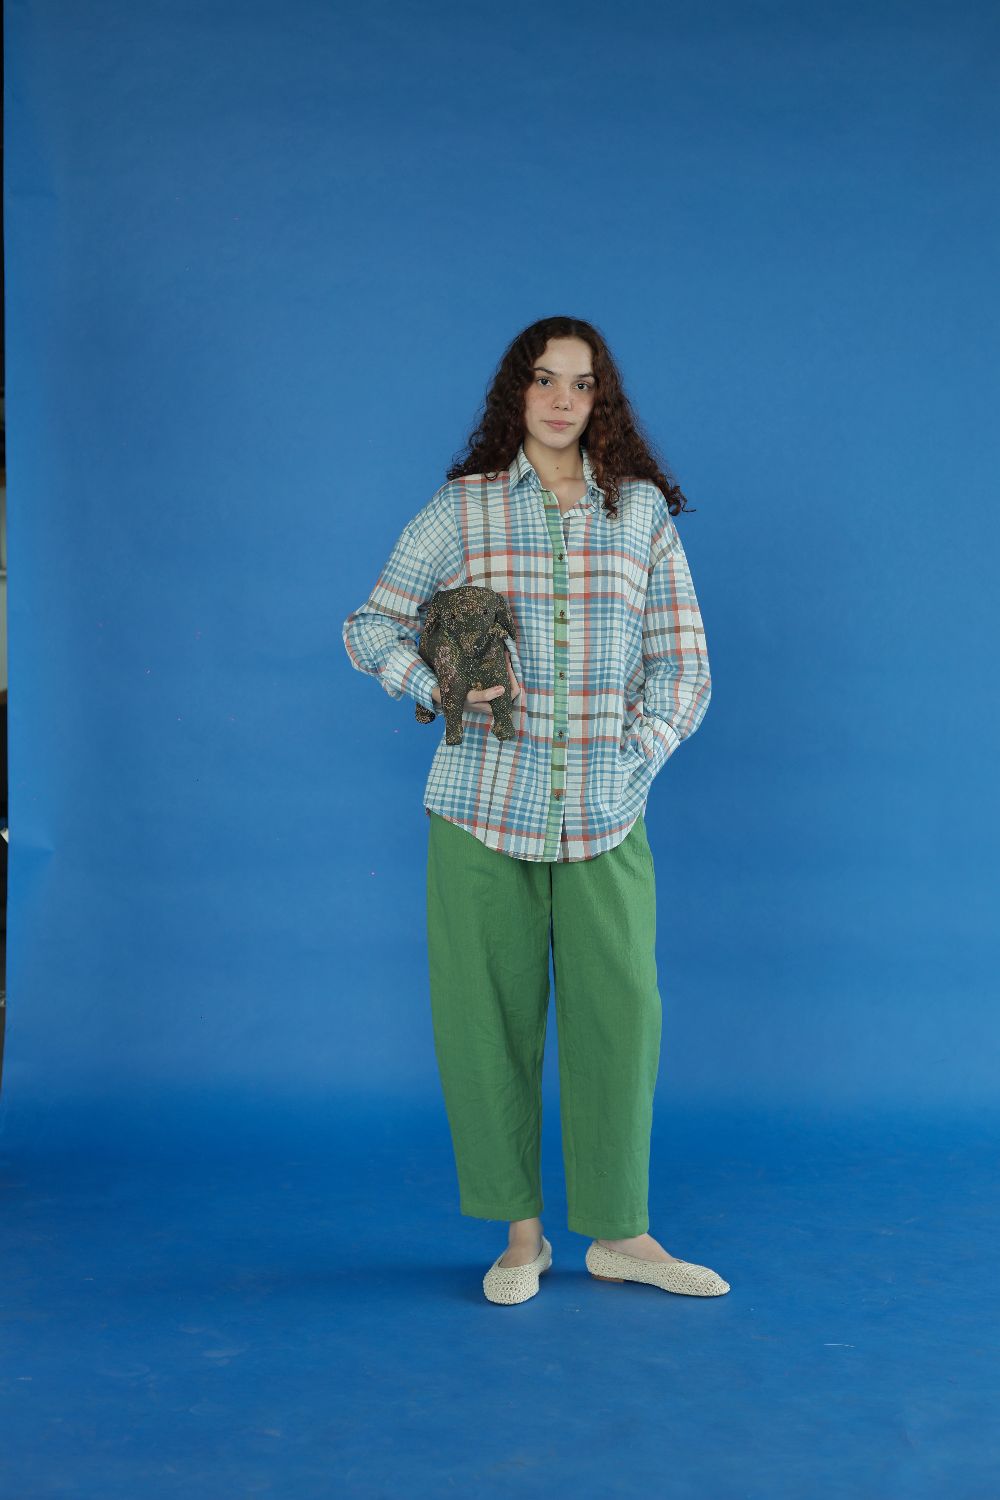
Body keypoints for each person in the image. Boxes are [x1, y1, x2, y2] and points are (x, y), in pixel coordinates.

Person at [343, 315, 729, 1305]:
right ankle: (521, 1239)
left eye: (581, 383)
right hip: (480, 810)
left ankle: (620, 1234)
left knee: (621, 1022)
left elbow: (684, 666)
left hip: (606, 812)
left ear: (603, 401)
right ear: (515, 391)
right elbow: (370, 624)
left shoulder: (639, 514)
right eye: (545, 379)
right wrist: (433, 683)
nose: (562, 400)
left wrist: (634, 759)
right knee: (485, 1025)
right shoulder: (463, 509)